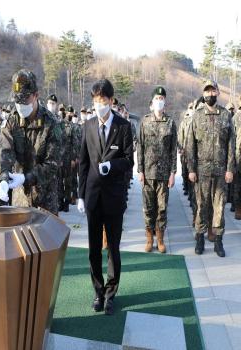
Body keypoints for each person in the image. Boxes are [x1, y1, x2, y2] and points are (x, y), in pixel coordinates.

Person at [78, 79, 134, 315]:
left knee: (113, 247)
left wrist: (110, 166)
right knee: (93, 249)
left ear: (111, 101)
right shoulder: (88, 126)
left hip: (113, 196)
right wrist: (80, 195)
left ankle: (111, 293)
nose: (99, 105)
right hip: (92, 196)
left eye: (102, 101)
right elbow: (82, 162)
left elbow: (129, 159)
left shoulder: (123, 127)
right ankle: (98, 292)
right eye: (95, 101)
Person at [0, 69, 62, 215]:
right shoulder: (12, 120)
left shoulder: (51, 123)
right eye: (17, 100)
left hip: (45, 201)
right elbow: (5, 151)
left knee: (44, 238)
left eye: (24, 100)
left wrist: (26, 177)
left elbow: (52, 165)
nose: (20, 105)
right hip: (21, 201)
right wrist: (4, 178)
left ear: (36, 95)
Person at [187, 80, 235, 257]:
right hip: (202, 172)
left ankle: (218, 241)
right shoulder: (197, 116)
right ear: (203, 93)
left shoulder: (225, 115)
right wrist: (191, 169)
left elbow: (231, 145)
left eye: (213, 91)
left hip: (221, 172)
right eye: (207, 92)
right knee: (201, 206)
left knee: (220, 207)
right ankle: (199, 238)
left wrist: (230, 169)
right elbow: (190, 145)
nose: (210, 94)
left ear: (218, 92)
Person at [137, 87, 177, 253]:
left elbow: (173, 149)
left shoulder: (170, 122)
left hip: (163, 174)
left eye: (162, 98)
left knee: (162, 208)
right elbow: (140, 146)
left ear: (164, 102)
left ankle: (160, 239)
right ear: (151, 103)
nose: (159, 101)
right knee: (148, 208)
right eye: (157, 98)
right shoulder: (144, 122)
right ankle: (149, 239)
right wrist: (140, 170)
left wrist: (173, 173)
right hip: (148, 173)